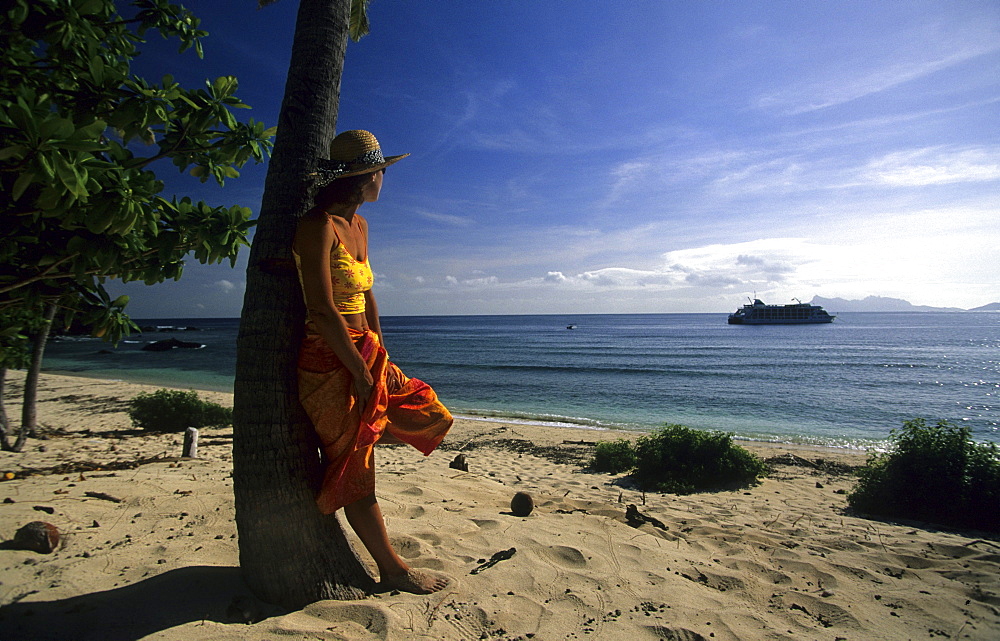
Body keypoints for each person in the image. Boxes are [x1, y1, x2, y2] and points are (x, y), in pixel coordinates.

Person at [293, 130, 453, 594]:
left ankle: (365, 436)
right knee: (354, 465)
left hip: (365, 348)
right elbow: (322, 309)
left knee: (429, 410)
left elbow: (366, 292)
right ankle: (393, 570)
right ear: (366, 177)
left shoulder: (359, 226)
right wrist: (360, 373)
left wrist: (380, 350)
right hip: (329, 356)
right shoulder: (317, 225)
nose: (385, 179)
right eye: (382, 171)